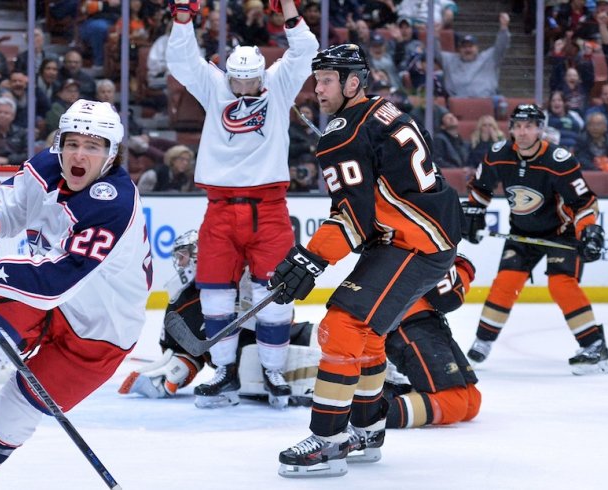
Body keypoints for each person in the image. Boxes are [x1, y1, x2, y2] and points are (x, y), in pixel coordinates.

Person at [0, 99, 152, 489]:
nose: (79, 154)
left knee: (15, 414)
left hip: (101, 328)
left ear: (111, 154)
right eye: (72, 143)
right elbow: (5, 204)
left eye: (92, 146)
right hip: (42, 299)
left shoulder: (114, 204)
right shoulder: (48, 166)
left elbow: (57, 280)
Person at [270, 44, 461, 478]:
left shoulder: (344, 133)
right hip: (427, 234)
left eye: (326, 80)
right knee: (370, 332)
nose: (316, 89)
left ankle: (329, 441)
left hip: (414, 241)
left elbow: (354, 216)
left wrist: (310, 257)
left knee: (341, 326)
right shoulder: (384, 112)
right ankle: (368, 430)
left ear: (353, 82)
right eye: (316, 80)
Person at [166, 0, 319, 410]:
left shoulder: (280, 83)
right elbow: (181, 61)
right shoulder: (215, 84)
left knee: (273, 294)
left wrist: (289, 12)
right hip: (219, 207)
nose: (243, 88)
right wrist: (183, 17)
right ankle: (223, 369)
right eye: (237, 81)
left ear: (260, 77)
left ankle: (273, 370)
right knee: (215, 295)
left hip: (269, 208)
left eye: (250, 83)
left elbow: (306, 50)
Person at [462, 104, 608, 375]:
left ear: (540, 129)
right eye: (518, 126)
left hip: (560, 234)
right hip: (521, 231)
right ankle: (482, 342)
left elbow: (585, 203)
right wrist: (474, 212)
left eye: (529, 126)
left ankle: (594, 345)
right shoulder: (498, 155)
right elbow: (480, 188)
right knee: (505, 283)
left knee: (561, 284)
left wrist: (588, 230)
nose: (523, 132)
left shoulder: (559, 160)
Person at [118, 230, 318, 406]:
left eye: (184, 256)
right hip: (237, 370)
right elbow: (187, 354)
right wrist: (169, 376)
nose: (180, 264)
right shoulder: (178, 305)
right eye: (179, 258)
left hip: (279, 348)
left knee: (321, 335)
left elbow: (282, 316)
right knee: (248, 357)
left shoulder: (242, 278)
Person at [383, 254, 481, 429]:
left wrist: (458, 266)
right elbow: (447, 298)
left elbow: (444, 298)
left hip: (430, 321)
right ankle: (364, 414)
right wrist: (461, 269)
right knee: (452, 403)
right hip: (407, 321)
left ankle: (381, 396)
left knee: (471, 403)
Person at [437, 13, 511, 98]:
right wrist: (435, 35)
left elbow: (501, 46)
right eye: (464, 47)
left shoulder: (489, 58)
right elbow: (434, 53)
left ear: (477, 48)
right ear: (459, 50)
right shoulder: (449, 59)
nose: (467, 50)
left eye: (470, 46)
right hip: (459, 104)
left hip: (487, 101)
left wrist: (504, 28)